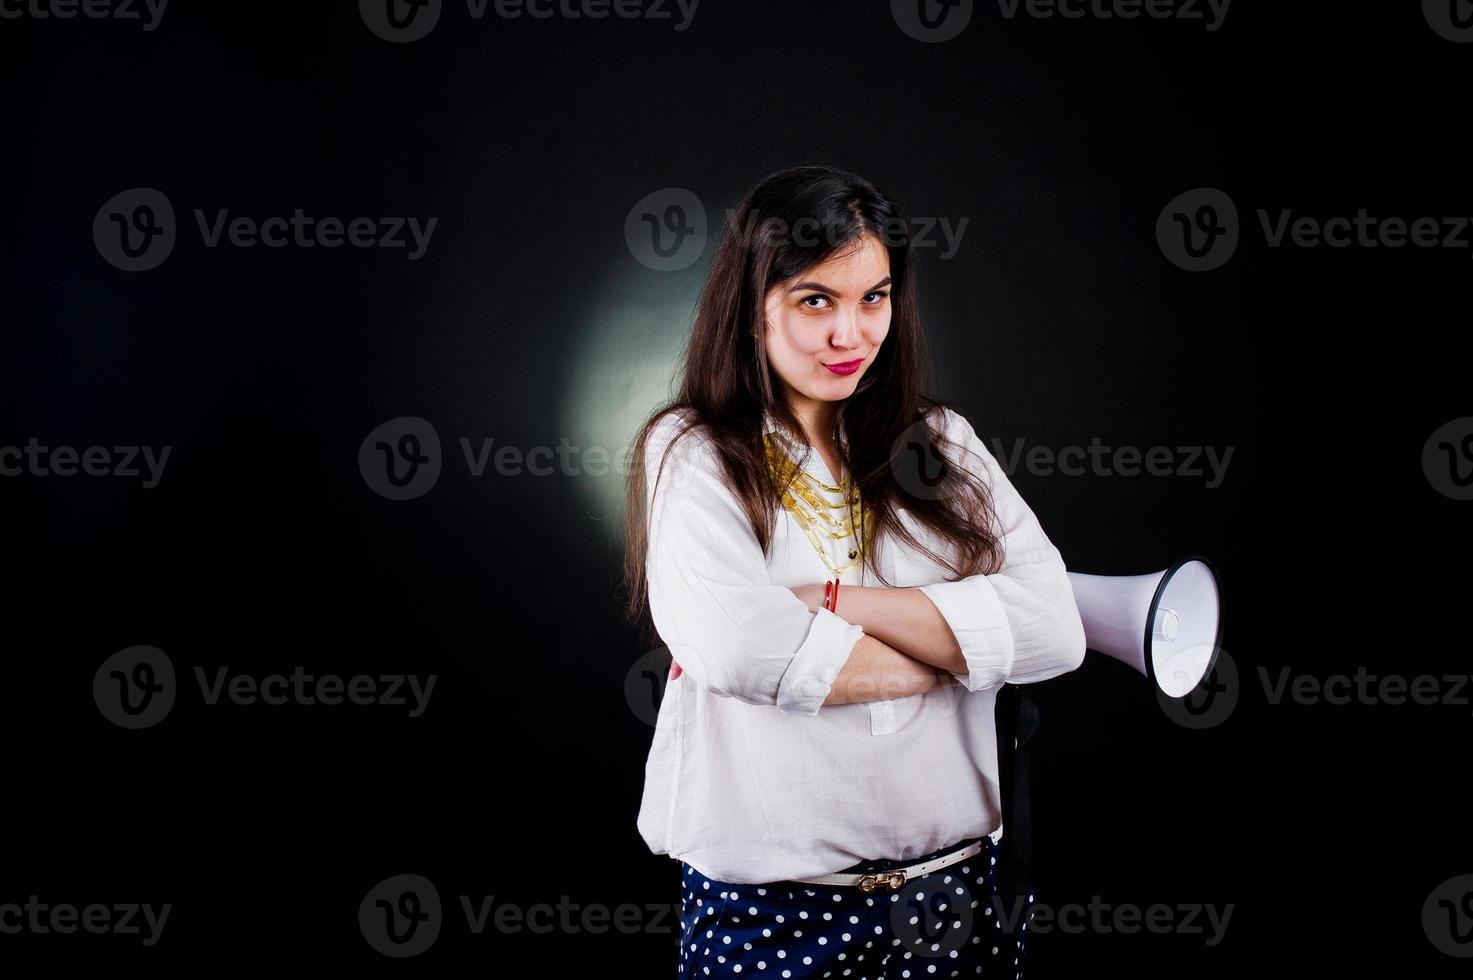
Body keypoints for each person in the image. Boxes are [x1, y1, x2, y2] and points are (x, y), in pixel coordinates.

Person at [623, 163, 1087, 978]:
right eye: (815, 301)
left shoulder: (940, 440)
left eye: (872, 298)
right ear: (750, 310)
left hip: (960, 897)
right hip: (772, 915)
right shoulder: (692, 453)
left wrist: (835, 602)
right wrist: (966, 652)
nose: (851, 335)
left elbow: (1055, 630)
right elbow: (743, 654)